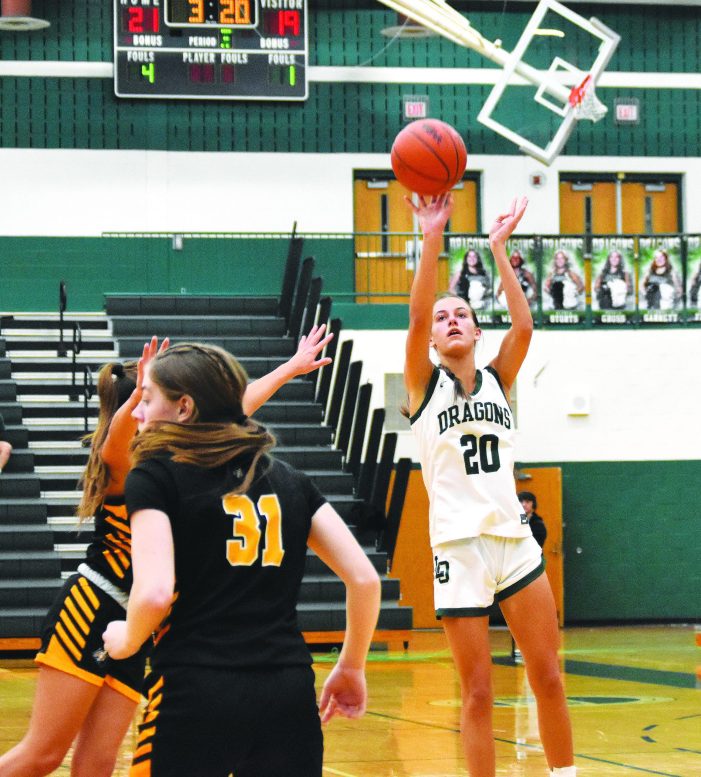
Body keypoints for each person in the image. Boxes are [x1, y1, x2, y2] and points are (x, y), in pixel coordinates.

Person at [0, 325, 334, 777]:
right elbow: (117, 436)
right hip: (94, 605)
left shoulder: (183, 458)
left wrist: (290, 369)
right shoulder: (124, 459)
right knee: (42, 755)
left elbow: (235, 410)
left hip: (141, 621)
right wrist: (141, 394)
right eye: (142, 402)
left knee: (98, 763)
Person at [101, 341, 381, 777]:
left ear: (184, 408)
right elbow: (364, 580)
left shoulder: (154, 475)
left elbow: (154, 592)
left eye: (148, 397)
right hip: (287, 693)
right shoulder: (290, 479)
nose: (138, 410)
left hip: (197, 690)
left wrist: (126, 640)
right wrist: (350, 665)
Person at [404, 192, 575, 777]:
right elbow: (416, 313)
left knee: (548, 673)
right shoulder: (424, 387)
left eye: (461, 316)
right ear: (433, 338)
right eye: (442, 318)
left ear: (477, 331)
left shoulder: (501, 380)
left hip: (512, 539)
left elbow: (524, 324)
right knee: (478, 693)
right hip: (458, 547)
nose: (450, 321)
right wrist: (432, 237)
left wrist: (500, 249)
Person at [511, 490, 548, 662]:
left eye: (528, 501)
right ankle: (519, 648)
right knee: (517, 612)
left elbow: (531, 547)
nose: (524, 504)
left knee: (532, 611)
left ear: (533, 504)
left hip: (531, 570)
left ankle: (534, 649)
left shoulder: (538, 525)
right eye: (521, 501)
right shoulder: (513, 522)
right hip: (514, 571)